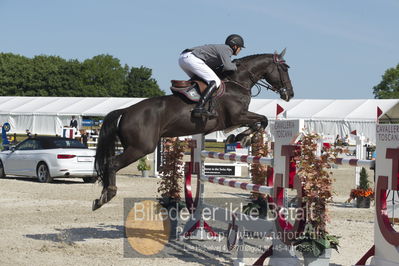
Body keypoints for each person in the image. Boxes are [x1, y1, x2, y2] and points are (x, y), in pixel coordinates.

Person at [178, 34, 245, 118]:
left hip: (183, 59)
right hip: (192, 59)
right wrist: (235, 65)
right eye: (240, 48)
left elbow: (214, 68)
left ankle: (190, 101)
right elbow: (228, 67)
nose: (240, 50)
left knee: (201, 81)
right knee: (216, 82)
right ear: (235, 46)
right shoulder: (227, 49)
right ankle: (199, 108)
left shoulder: (221, 50)